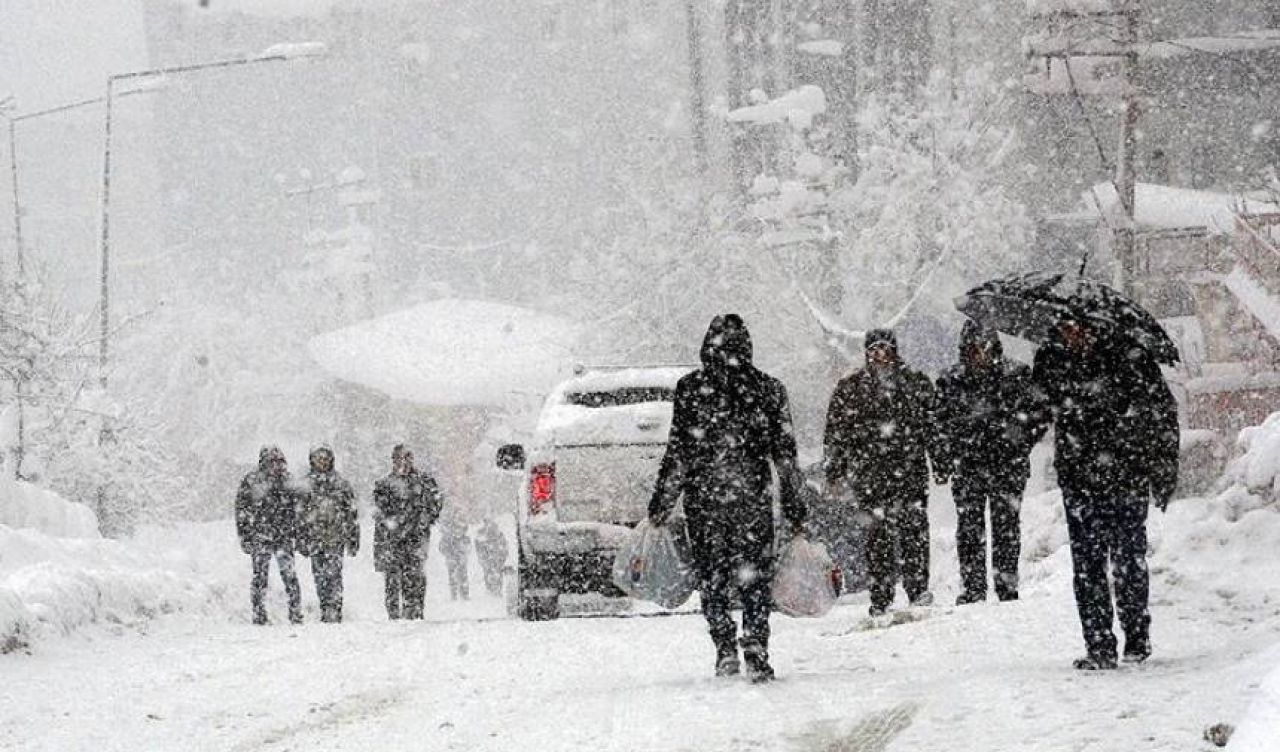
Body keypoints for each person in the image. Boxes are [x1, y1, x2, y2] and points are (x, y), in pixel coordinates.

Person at [649, 314, 808, 683]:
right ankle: (755, 645)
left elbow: (679, 452)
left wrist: (662, 501)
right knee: (755, 578)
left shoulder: (691, 389)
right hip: (751, 499)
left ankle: (724, 647)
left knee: (713, 577)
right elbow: (785, 456)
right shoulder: (768, 388)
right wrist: (795, 505)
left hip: (705, 501)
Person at [1032, 317, 1179, 670]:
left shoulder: (1129, 356)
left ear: (1094, 326)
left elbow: (1161, 413)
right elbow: (1034, 413)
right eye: (1066, 328)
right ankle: (1099, 644)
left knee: (1128, 559)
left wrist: (1163, 469)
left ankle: (1136, 637)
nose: (1073, 334)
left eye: (1079, 327)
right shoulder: (1052, 360)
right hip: (1080, 479)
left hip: (1126, 475)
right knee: (1087, 565)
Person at [823, 328, 945, 617]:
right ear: (867, 352)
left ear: (894, 350)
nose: (880, 354)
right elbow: (836, 431)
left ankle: (918, 589)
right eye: (874, 349)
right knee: (877, 537)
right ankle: (881, 595)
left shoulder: (915, 383)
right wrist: (834, 468)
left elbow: (934, 426)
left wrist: (940, 461)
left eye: (884, 348)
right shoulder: (851, 388)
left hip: (909, 471)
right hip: (869, 475)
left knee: (913, 531)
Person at [936, 321, 1046, 605]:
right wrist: (950, 451)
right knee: (969, 528)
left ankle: (1006, 585)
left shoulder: (1017, 375)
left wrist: (1020, 440)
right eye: (973, 349)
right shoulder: (950, 381)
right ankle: (973, 587)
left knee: (1006, 526)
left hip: (1007, 465)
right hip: (968, 466)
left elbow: (1040, 415)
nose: (979, 355)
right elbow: (938, 423)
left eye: (984, 348)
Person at [372, 444, 443, 620]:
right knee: (392, 576)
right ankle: (394, 612)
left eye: (406, 458)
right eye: (398, 459)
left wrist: (426, 518)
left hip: (416, 536)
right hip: (392, 537)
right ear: (393, 461)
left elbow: (436, 501)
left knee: (415, 575)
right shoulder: (384, 484)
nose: (402, 463)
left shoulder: (424, 481)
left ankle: (414, 610)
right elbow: (380, 510)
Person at [235, 446, 303, 625]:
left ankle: (295, 612)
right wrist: (245, 535)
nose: (276, 466)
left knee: (289, 576)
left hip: (283, 536)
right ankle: (259, 613)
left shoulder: (288, 481)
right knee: (260, 577)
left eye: (279, 462)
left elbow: (299, 509)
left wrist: (297, 531)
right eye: (272, 462)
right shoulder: (252, 481)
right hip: (261, 536)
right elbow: (242, 510)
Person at [297, 444, 360, 623]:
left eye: (325, 458)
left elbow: (352, 513)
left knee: (334, 574)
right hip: (315, 538)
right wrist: (301, 538)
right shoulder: (305, 485)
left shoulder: (341, 484)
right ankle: (325, 607)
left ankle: (335, 609)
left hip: (335, 538)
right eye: (318, 458)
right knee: (319, 576)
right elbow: (299, 515)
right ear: (312, 461)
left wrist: (353, 538)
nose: (322, 462)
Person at [438, 516, 472, 601]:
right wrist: (449, 554)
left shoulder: (464, 537)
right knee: (454, 576)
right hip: (453, 559)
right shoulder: (448, 538)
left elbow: (468, 547)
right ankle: (455, 594)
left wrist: (463, 553)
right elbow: (442, 547)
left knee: (462, 576)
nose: (458, 531)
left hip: (460, 559)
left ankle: (463, 594)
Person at [474, 518, 509, 597]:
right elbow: (478, 546)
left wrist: (502, 555)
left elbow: (504, 545)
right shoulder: (483, 533)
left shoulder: (484, 533)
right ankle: (494, 590)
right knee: (493, 572)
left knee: (492, 572)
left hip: (494, 557)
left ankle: (494, 590)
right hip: (491, 557)